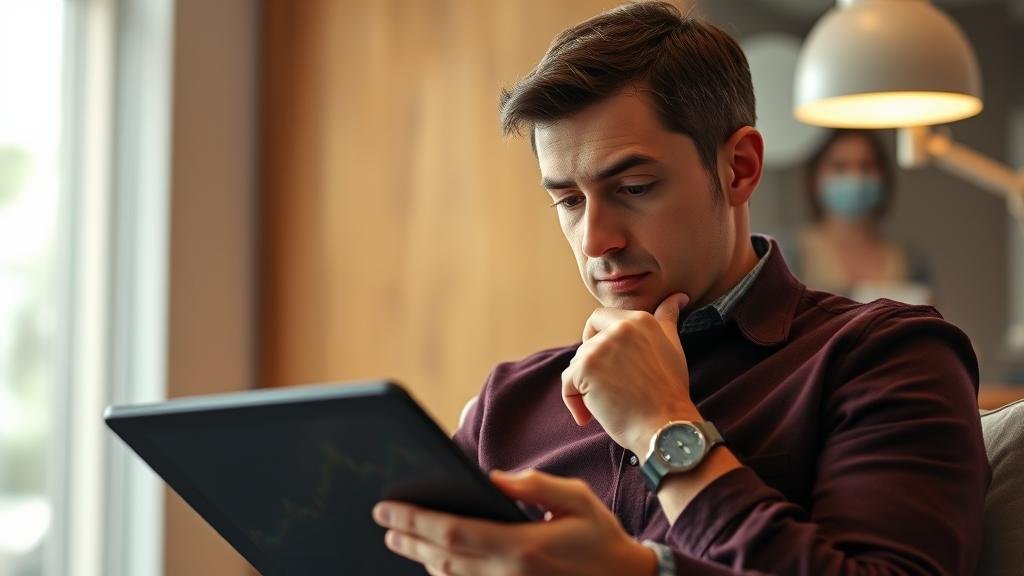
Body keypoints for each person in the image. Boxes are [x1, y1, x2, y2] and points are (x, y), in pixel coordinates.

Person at [371, 3, 988, 574]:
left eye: (634, 188)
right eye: (567, 200)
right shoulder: (506, 405)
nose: (594, 241)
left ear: (739, 167)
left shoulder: (884, 358)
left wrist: (663, 426)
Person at [794, 129, 932, 304]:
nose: (855, 177)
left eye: (866, 166)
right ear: (815, 180)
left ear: (883, 178)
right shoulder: (791, 256)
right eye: (840, 167)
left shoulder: (912, 262)